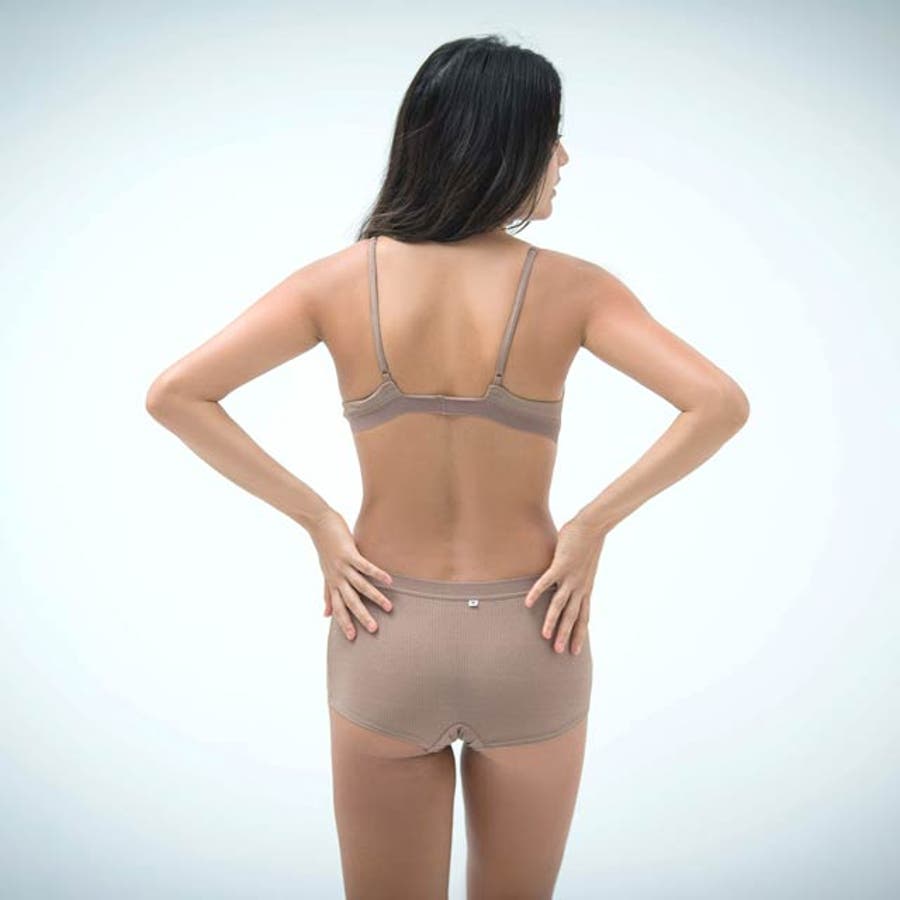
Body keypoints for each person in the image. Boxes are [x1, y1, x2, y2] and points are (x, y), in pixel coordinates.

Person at [146, 33, 749, 900]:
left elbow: (176, 394)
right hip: (533, 632)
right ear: (501, 143)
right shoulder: (576, 288)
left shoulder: (335, 283)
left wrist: (321, 520)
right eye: (551, 136)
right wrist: (589, 527)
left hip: (383, 630)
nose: (564, 157)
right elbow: (718, 402)